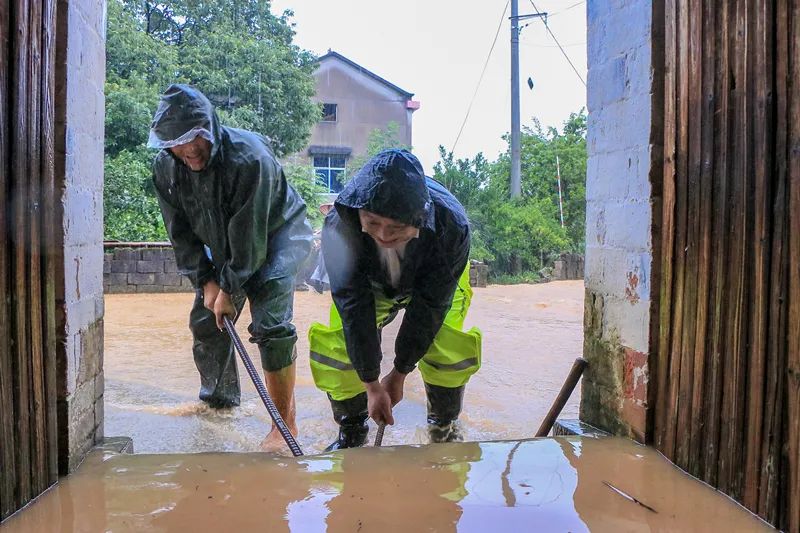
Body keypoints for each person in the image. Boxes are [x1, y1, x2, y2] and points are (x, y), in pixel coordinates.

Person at [148, 84, 312, 451]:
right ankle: (219, 403)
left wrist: (229, 288)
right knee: (208, 321)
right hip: (228, 247)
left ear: (210, 127)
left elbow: (250, 238)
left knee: (271, 326)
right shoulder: (166, 168)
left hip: (279, 239)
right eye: (178, 142)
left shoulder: (249, 159)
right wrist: (206, 281)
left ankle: (284, 425)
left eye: (195, 137)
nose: (189, 149)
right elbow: (180, 233)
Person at [309, 149, 482, 451]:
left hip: (434, 276)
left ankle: (443, 427)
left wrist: (400, 372)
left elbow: (429, 308)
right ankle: (352, 430)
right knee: (339, 343)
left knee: (446, 342)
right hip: (370, 279)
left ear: (420, 220)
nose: (384, 236)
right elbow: (353, 304)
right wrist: (371, 384)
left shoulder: (452, 227)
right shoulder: (340, 224)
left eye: (397, 227)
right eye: (372, 222)